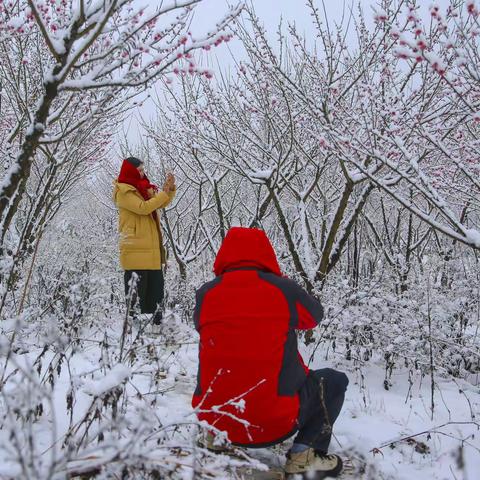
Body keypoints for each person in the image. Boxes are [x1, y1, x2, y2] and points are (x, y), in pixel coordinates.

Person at [191, 227, 348, 479]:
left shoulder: (205, 293)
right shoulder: (283, 289)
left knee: (222, 362)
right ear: (267, 254)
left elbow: (204, 327)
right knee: (334, 380)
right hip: (273, 423)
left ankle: (214, 439)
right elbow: (314, 317)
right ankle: (303, 456)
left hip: (217, 420)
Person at [113, 157, 176, 326]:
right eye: (139, 170)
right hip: (135, 249)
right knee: (137, 294)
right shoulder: (124, 191)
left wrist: (168, 190)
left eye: (142, 169)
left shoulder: (144, 187)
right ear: (130, 171)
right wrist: (162, 194)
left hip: (151, 249)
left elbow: (160, 203)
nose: (142, 173)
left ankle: (156, 325)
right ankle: (133, 330)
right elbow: (144, 208)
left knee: (156, 291)